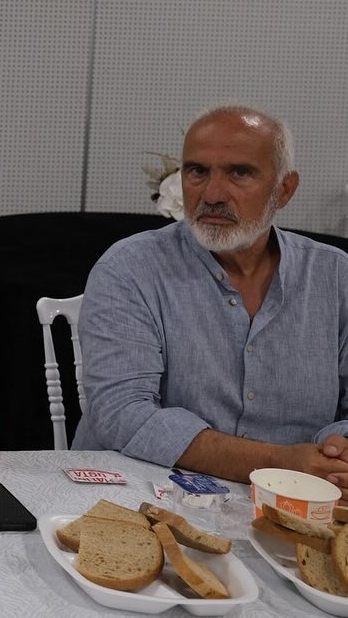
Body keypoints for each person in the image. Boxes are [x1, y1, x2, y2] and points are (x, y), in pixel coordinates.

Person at [73, 104, 348, 494]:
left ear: (284, 190)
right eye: (197, 171)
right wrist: (277, 462)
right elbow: (123, 414)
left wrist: (337, 453)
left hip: (300, 497)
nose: (212, 194)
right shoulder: (130, 268)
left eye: (240, 173)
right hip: (140, 495)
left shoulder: (336, 276)